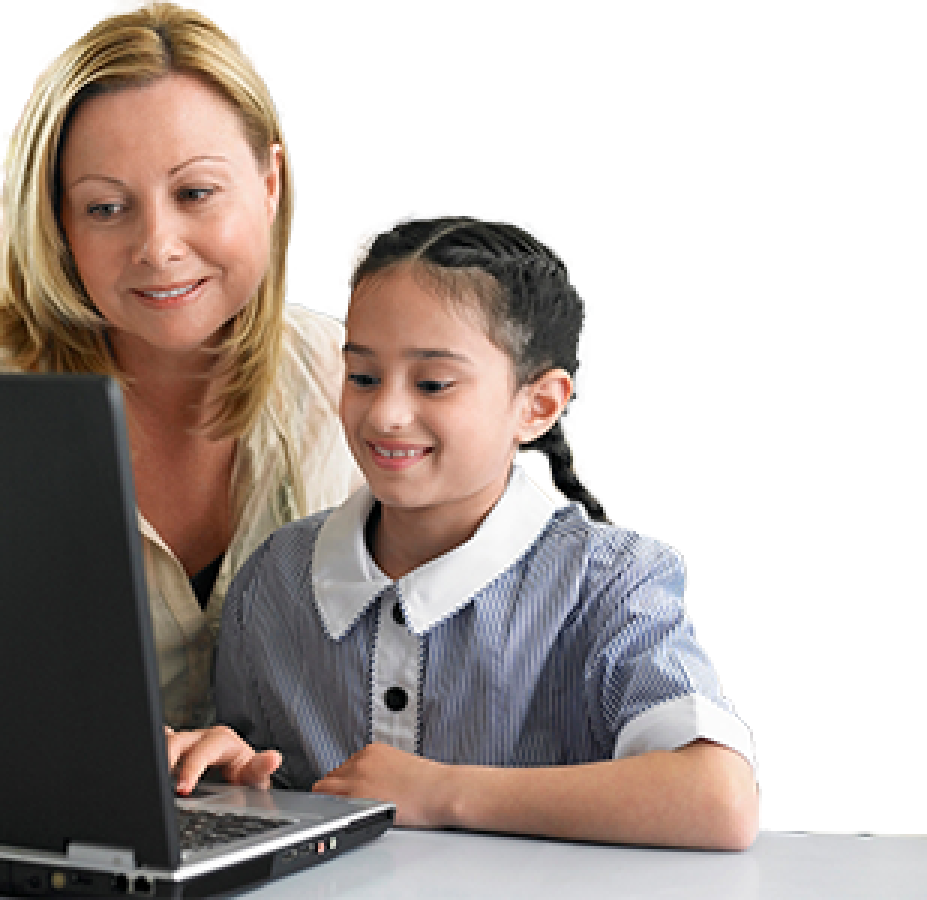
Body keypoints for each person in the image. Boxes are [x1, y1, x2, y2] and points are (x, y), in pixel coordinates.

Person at [167, 213, 762, 851]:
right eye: (363, 376)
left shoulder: (607, 581)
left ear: (537, 405)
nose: (387, 414)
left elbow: (718, 799)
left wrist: (439, 792)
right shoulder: (275, 579)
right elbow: (258, 777)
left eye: (434, 384)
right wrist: (226, 765)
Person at [0, 3, 362, 729]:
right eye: (107, 208)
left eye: (195, 193)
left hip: (297, 819)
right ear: (59, 223)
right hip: (49, 827)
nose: (158, 245)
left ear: (270, 183)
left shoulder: (349, 375)